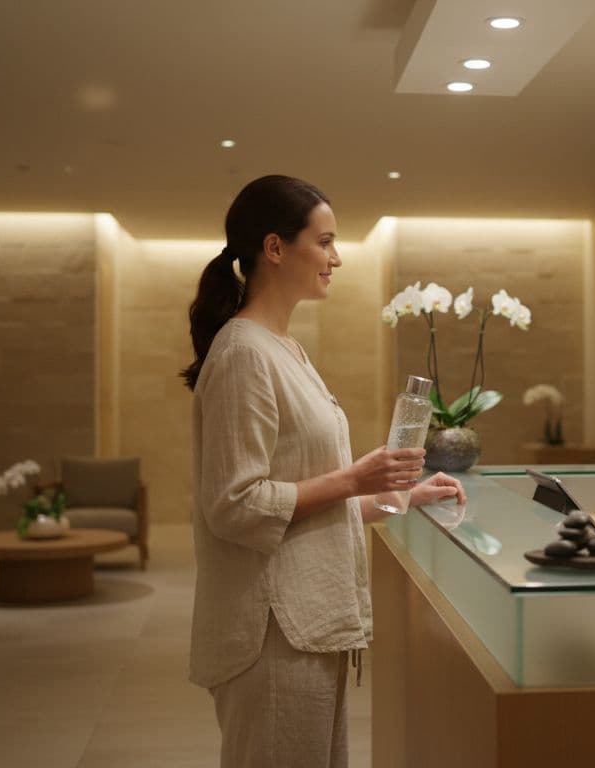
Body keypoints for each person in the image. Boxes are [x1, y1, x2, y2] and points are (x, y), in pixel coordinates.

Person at [183, 174, 465, 768]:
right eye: (326, 241)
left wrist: (404, 497)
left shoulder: (286, 350)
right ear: (275, 248)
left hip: (306, 624)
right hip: (271, 634)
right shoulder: (242, 353)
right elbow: (234, 505)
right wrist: (355, 478)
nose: (337, 258)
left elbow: (308, 503)